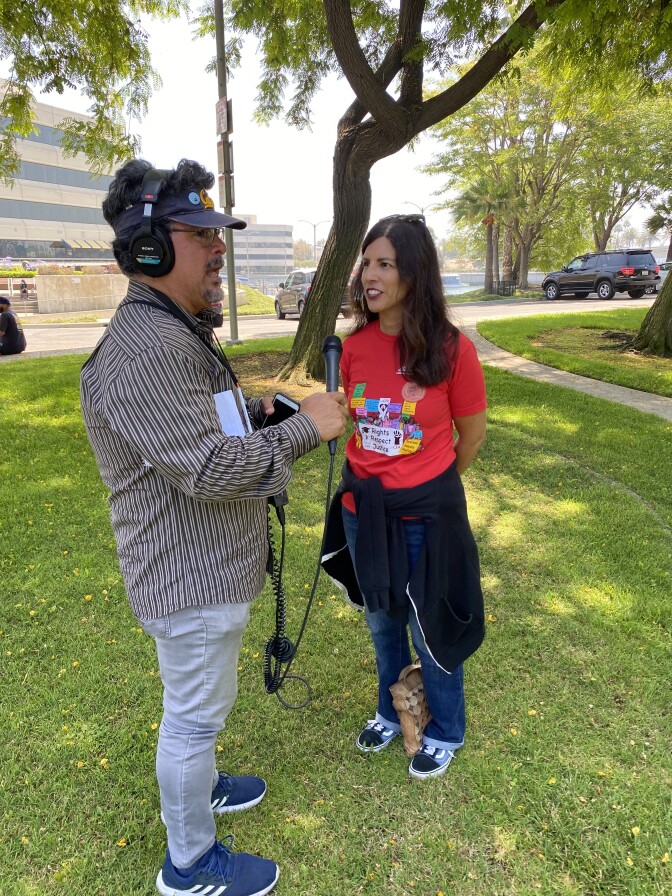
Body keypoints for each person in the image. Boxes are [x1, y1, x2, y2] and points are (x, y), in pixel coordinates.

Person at [80, 158, 347, 896]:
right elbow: (206, 471)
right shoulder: (146, 348)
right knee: (193, 718)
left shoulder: (172, 331)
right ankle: (189, 865)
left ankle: (204, 788)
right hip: (187, 580)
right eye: (201, 234)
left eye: (217, 232)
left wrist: (257, 413)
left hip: (206, 570)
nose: (218, 247)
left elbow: (200, 432)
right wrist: (306, 431)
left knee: (203, 707)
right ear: (152, 248)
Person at [321, 213, 487, 780]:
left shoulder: (451, 349)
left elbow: (473, 434)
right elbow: (358, 426)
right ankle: (390, 710)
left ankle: (445, 728)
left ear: (414, 273)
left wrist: (434, 484)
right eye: (366, 262)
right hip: (366, 510)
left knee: (430, 625)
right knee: (383, 620)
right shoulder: (355, 349)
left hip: (427, 515)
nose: (370, 274)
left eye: (385, 264)